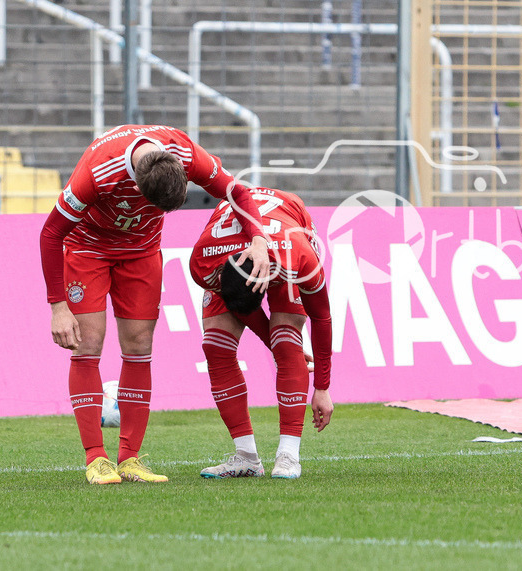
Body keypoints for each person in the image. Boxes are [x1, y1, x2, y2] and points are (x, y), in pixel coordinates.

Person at [40, 124, 273, 485]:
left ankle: (130, 459)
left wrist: (258, 239)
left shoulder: (185, 152)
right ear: (135, 187)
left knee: (139, 346)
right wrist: (57, 305)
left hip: (141, 254)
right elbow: (51, 233)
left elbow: (236, 190)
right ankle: (96, 459)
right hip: (89, 249)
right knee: (87, 345)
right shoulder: (97, 173)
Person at [188, 186, 333, 479]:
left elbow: (321, 317)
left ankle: (289, 456)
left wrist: (322, 387)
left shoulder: (301, 260)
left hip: (288, 228)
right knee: (215, 345)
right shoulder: (202, 261)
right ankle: (246, 457)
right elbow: (239, 304)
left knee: (286, 338)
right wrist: (268, 341)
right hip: (228, 249)